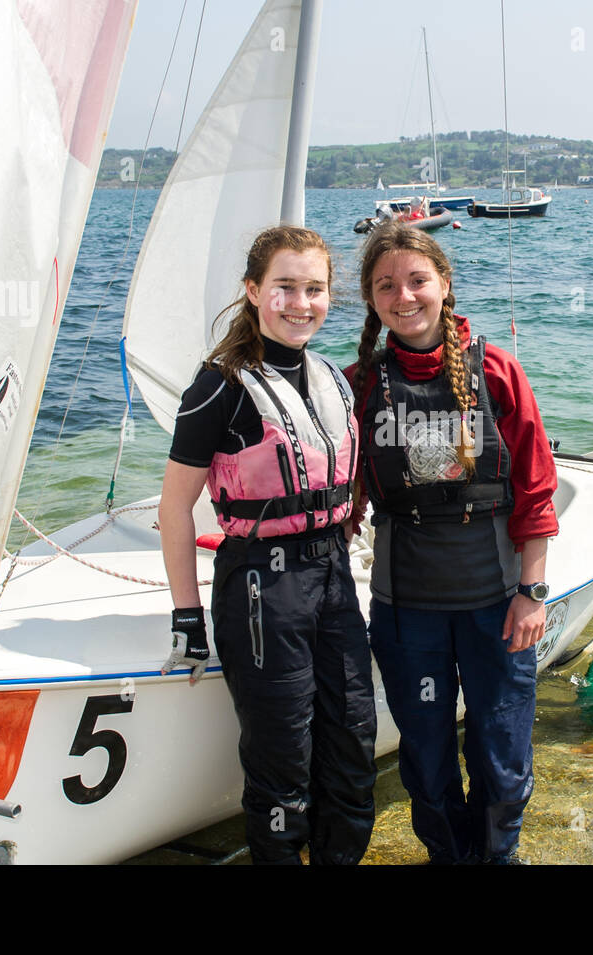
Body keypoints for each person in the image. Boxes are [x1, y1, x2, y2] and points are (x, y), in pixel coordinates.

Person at [158, 225, 376, 865]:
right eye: (284, 287)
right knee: (283, 760)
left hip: (332, 578)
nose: (299, 303)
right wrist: (186, 618)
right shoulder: (218, 386)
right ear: (254, 291)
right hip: (261, 586)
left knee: (353, 742)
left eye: (314, 289)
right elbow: (174, 508)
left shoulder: (331, 378)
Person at [346, 222, 559, 864]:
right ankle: (447, 855)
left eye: (417, 280)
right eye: (386, 286)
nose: (403, 296)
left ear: (444, 284)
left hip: (496, 606)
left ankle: (499, 856)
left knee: (499, 750)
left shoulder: (495, 369)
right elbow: (342, 496)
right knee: (428, 753)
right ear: (371, 298)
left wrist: (533, 592)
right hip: (406, 610)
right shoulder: (358, 383)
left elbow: (536, 488)